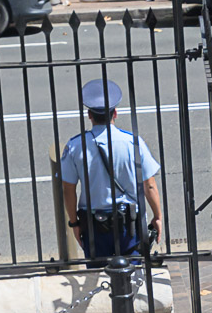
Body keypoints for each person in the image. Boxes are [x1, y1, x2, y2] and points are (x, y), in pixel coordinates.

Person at [61, 79, 162, 268]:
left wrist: (74, 223)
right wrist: (157, 216)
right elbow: (149, 185)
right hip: (129, 225)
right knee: (133, 276)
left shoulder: (75, 146)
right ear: (115, 113)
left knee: (98, 278)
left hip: (94, 225)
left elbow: (68, 189)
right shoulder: (133, 143)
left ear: (89, 115)